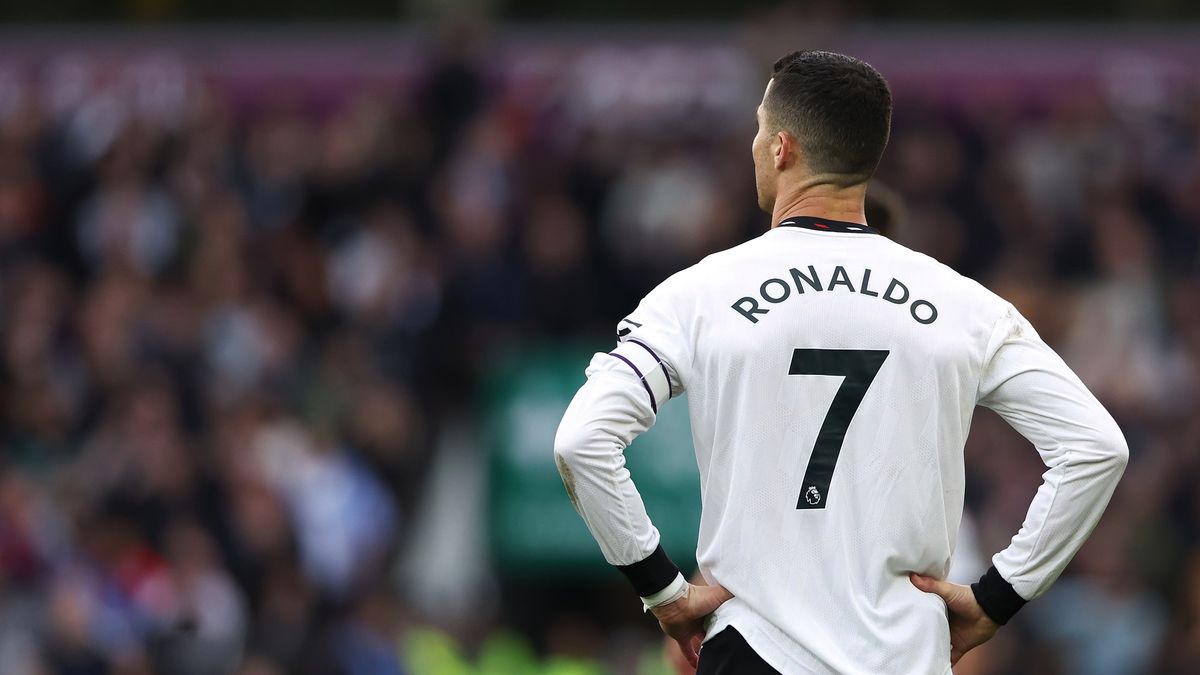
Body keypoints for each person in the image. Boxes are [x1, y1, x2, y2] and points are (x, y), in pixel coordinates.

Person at [553, 50, 1127, 674]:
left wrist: (662, 590)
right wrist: (999, 596)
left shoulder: (698, 297)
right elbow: (1096, 448)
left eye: (758, 128)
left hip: (755, 649)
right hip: (904, 654)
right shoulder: (967, 307)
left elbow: (582, 442)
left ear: (781, 148)